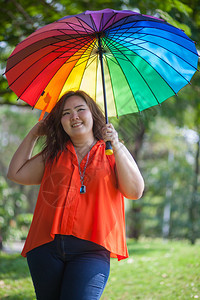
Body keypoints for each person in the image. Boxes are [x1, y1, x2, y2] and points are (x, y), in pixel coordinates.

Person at [7, 90, 144, 300]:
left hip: (91, 250)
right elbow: (15, 173)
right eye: (66, 113)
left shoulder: (112, 150)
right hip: (46, 247)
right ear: (60, 121)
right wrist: (34, 134)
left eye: (81, 109)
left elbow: (135, 191)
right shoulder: (54, 153)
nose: (74, 116)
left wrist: (115, 144)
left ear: (93, 114)